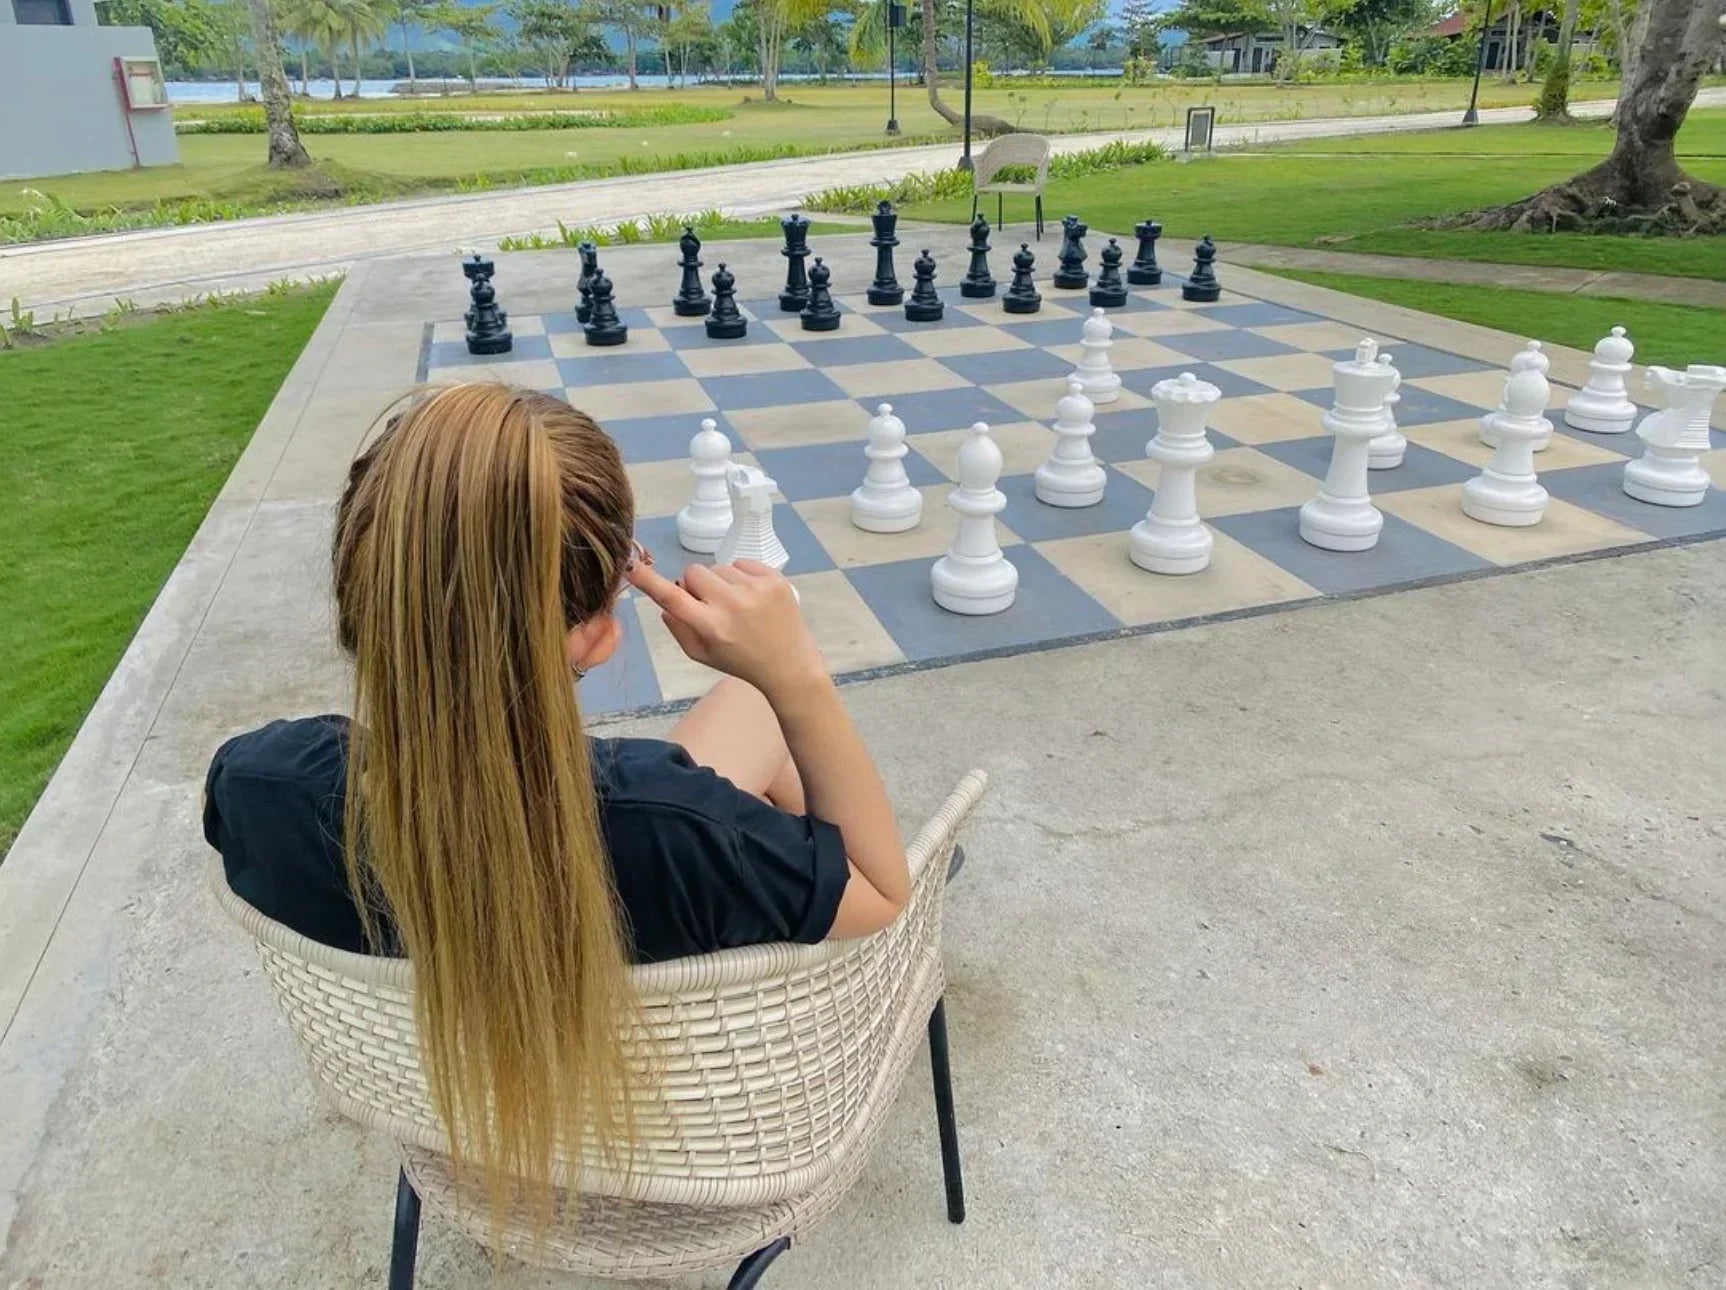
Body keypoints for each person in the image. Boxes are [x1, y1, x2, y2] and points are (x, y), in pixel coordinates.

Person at [202, 382, 908, 1215]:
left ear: (364, 591)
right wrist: (796, 676)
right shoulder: (672, 826)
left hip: (451, 1117)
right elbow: (886, 891)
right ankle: (797, 875)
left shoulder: (255, 785)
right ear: (598, 635)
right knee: (768, 719)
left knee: (744, 722)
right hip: (678, 1138)